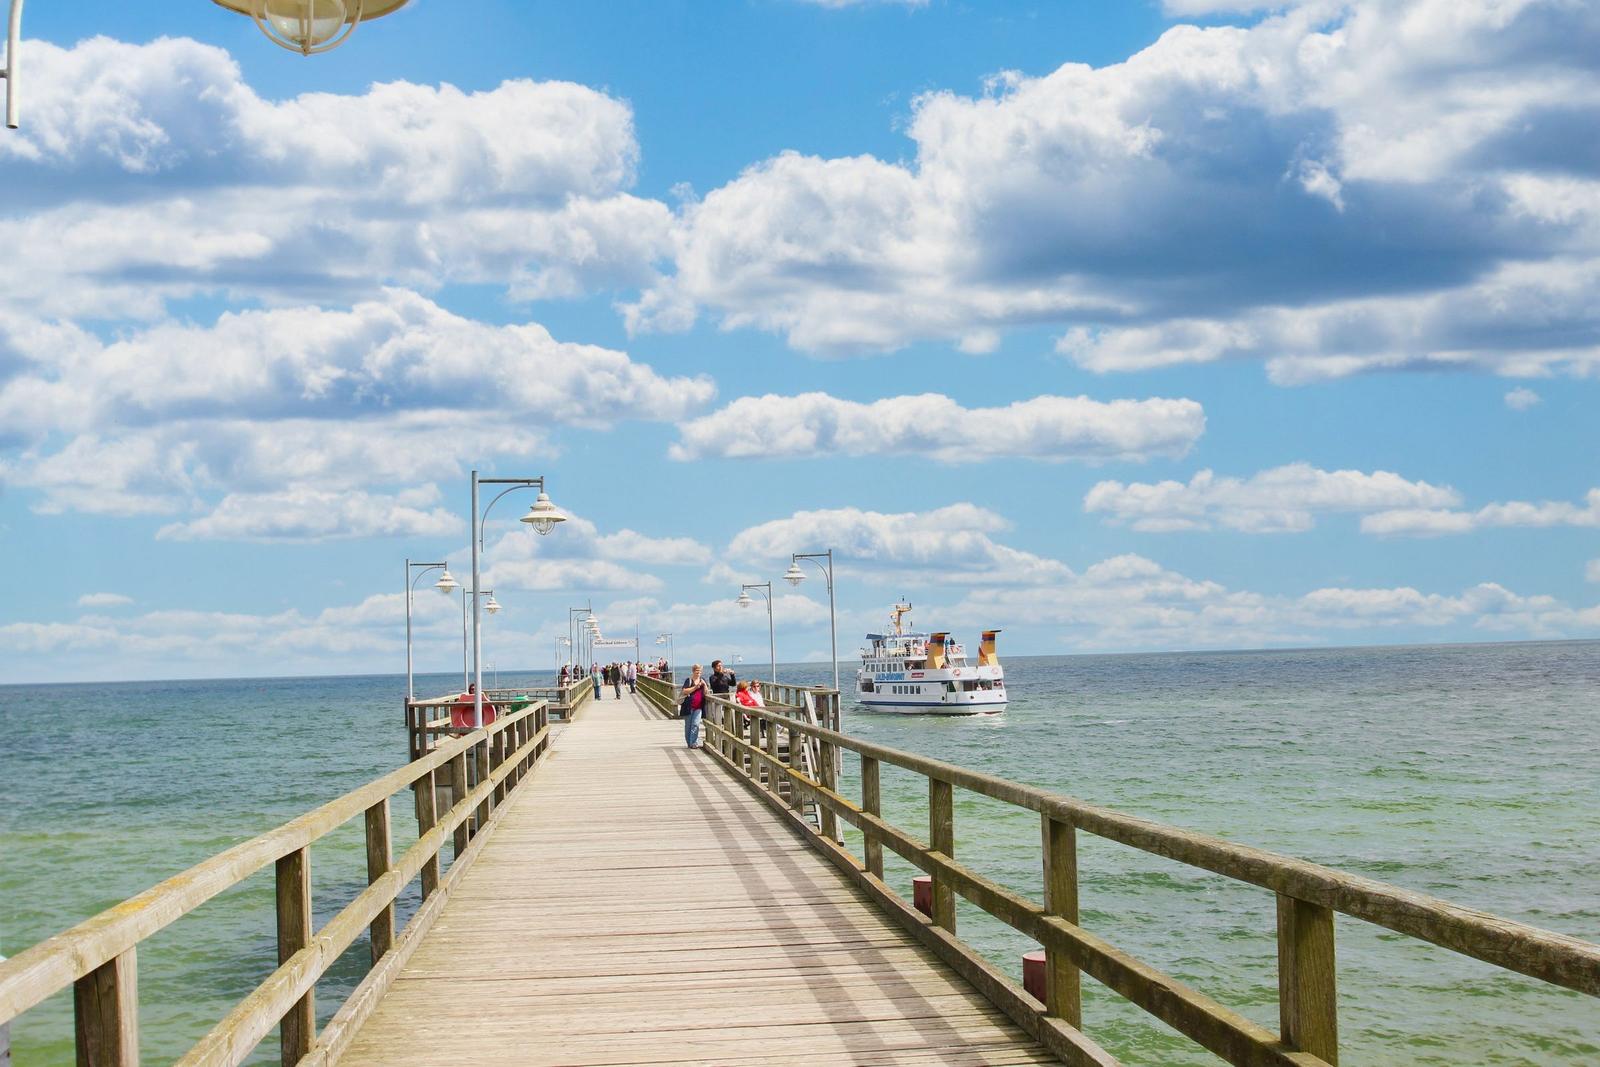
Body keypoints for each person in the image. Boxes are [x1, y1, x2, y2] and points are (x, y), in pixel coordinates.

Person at [680, 664, 709, 749]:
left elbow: (706, 693)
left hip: (699, 707)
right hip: (689, 707)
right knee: (688, 726)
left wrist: (705, 685)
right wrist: (696, 687)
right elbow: (684, 691)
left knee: (696, 724)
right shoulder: (688, 680)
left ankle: (694, 743)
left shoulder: (702, 680)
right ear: (693, 671)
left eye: (700, 671)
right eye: (697, 671)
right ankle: (689, 743)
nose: (698, 673)